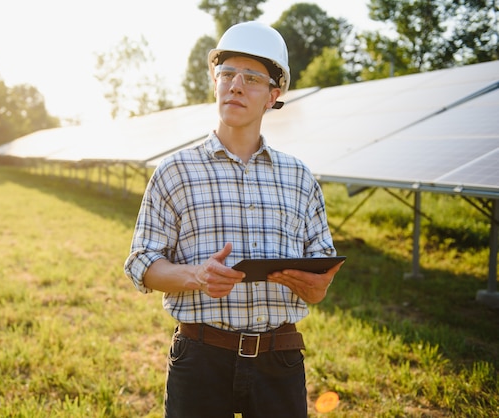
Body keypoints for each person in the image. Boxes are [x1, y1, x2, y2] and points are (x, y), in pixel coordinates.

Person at [124, 21, 343, 418]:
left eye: (252, 78)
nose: (236, 85)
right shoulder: (175, 171)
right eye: (227, 74)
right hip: (201, 358)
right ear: (215, 83)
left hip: (281, 360)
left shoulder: (299, 178)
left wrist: (314, 287)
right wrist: (196, 276)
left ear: (273, 96)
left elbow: (320, 281)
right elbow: (142, 263)